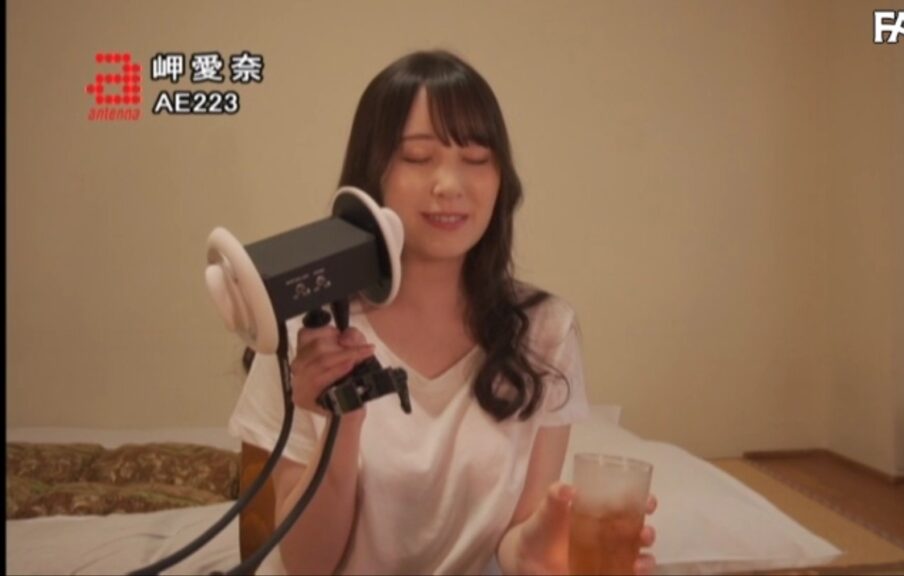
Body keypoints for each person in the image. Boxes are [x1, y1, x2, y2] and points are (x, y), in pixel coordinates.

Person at [228, 49, 658, 575]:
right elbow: (306, 566)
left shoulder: (546, 331)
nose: (450, 185)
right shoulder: (307, 332)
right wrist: (342, 420)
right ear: (371, 176)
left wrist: (537, 547)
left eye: (476, 159)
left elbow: (516, 543)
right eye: (417, 157)